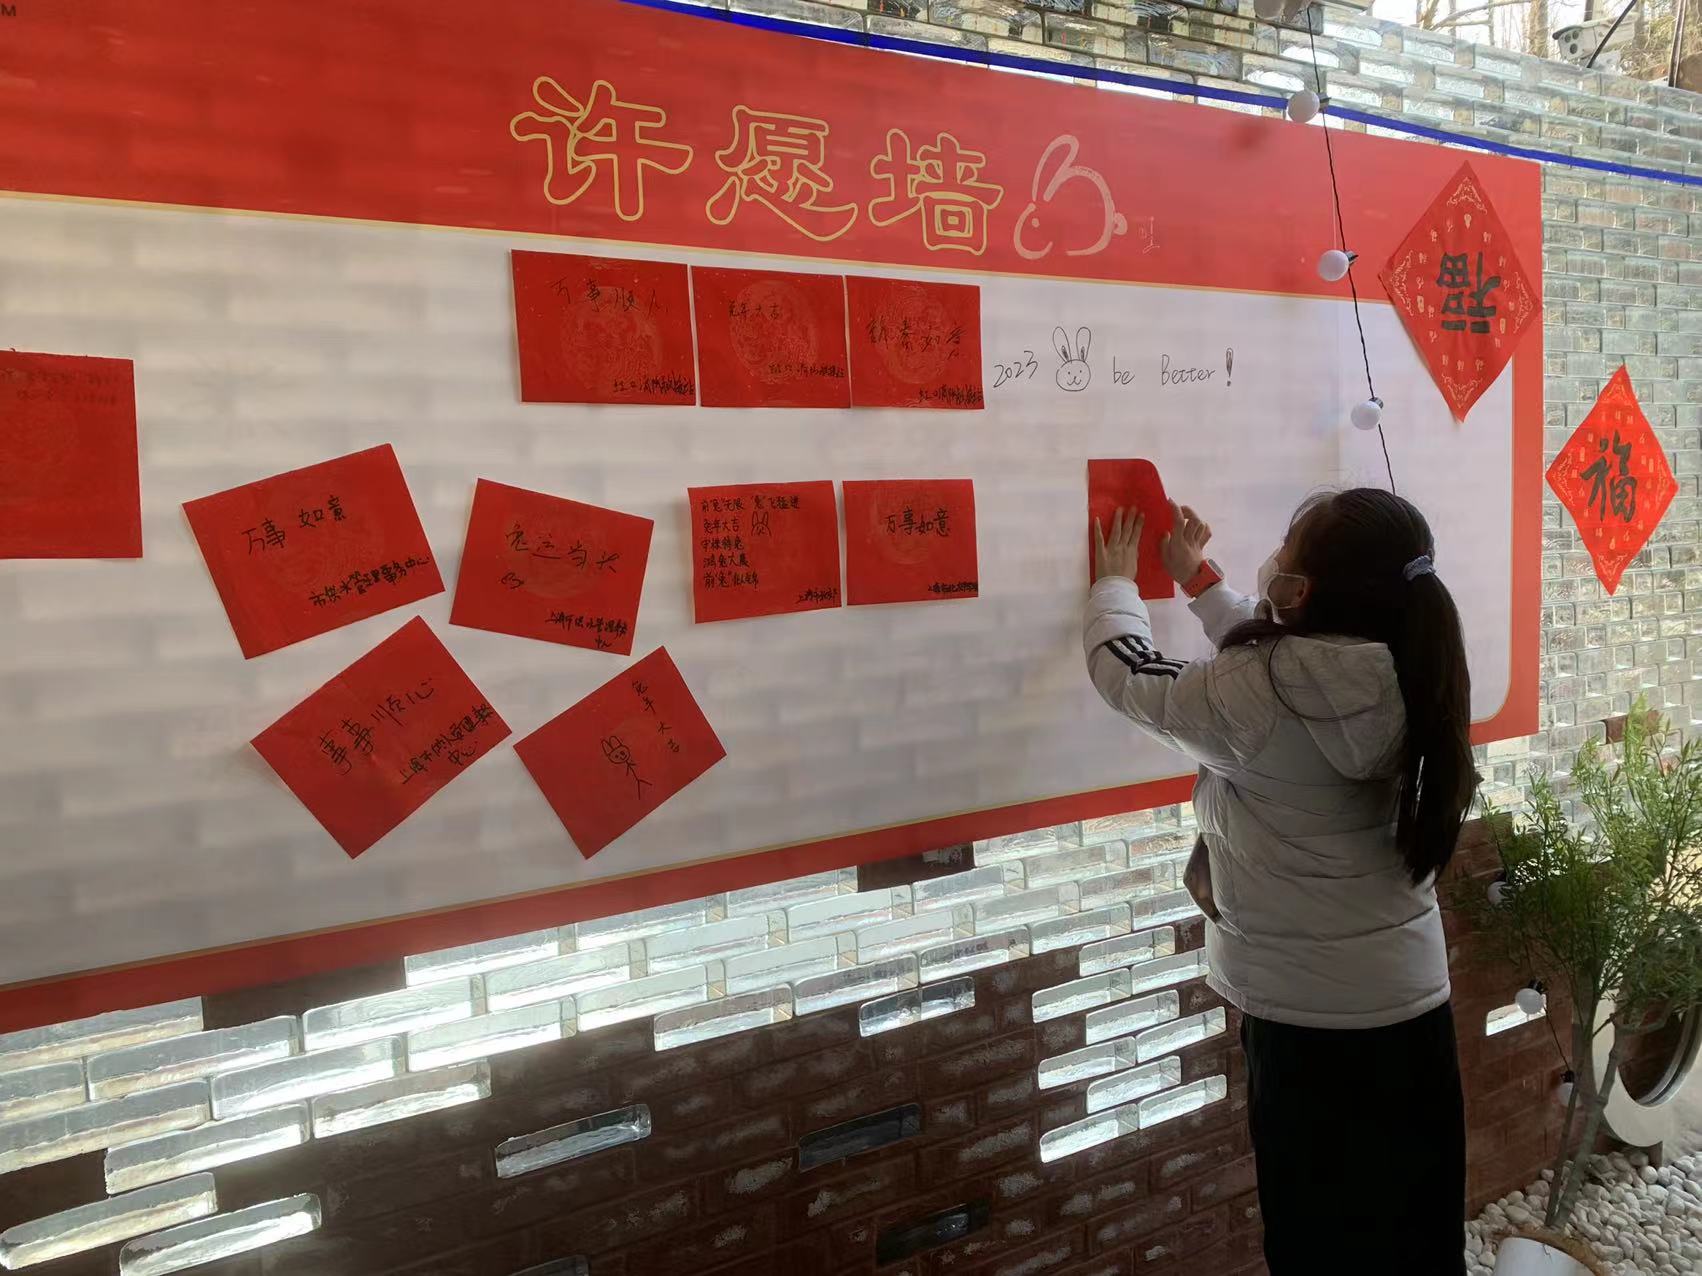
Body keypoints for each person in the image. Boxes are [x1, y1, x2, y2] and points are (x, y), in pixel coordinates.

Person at [1085, 488, 1477, 1276]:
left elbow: (1128, 677)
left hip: (1308, 1025)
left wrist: (1114, 584)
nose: (1274, 561)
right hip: (1412, 1007)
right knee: (1418, 1240)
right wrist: (1198, 582)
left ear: (1298, 591)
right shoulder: (1407, 652)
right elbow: (1288, 668)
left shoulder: (1262, 691)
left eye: (1288, 551)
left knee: (1317, 1245)